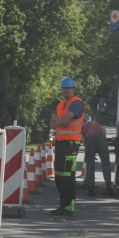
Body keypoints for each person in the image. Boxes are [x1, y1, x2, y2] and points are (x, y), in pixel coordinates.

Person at [49, 77, 84, 217]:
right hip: (60, 143)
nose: (66, 90)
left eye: (68, 88)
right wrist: (60, 121)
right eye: (64, 88)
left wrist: (58, 120)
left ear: (73, 89)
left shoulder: (76, 104)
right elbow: (52, 125)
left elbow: (64, 121)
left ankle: (68, 207)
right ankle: (63, 206)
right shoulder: (60, 105)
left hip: (70, 144)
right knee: (59, 176)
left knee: (67, 176)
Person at [82, 116, 115, 197]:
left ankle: (90, 189)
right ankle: (108, 187)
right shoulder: (95, 123)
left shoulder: (80, 127)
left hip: (90, 139)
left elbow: (83, 140)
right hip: (101, 137)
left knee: (90, 164)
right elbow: (104, 130)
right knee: (105, 162)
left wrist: (89, 152)